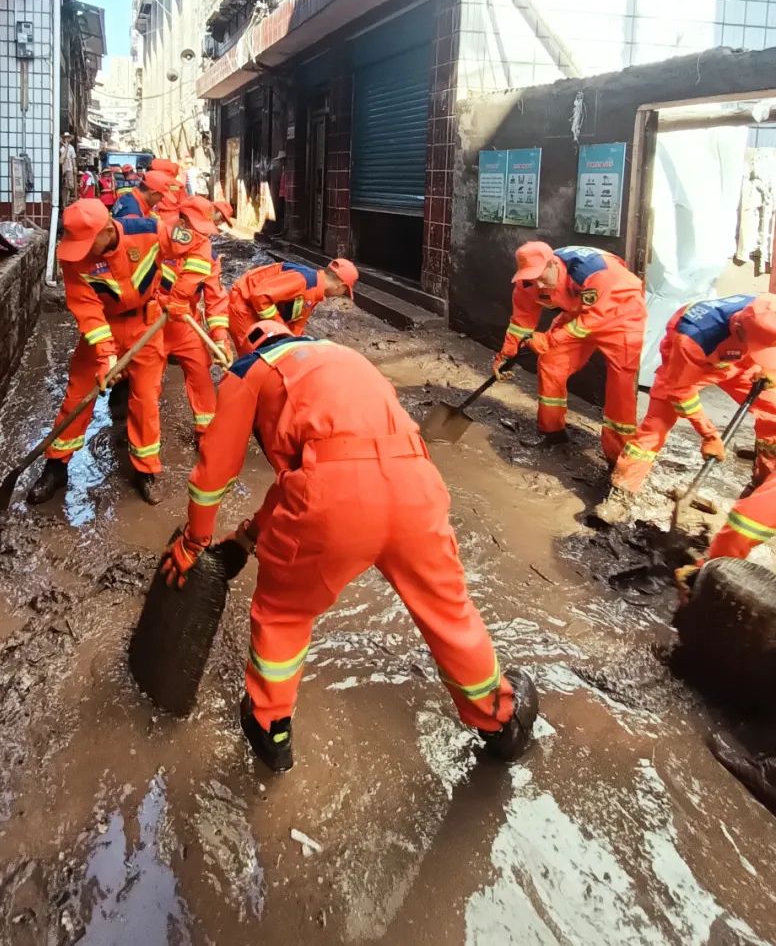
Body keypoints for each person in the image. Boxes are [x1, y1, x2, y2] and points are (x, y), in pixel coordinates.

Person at [159, 320, 539, 773]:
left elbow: (213, 476)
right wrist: (246, 538)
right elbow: (316, 465)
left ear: (251, 346)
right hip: (416, 484)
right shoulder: (342, 357)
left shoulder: (250, 370)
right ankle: (500, 723)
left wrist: (194, 541)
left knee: (284, 613)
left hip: (333, 501)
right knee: (449, 611)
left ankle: (270, 729)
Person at [35, 197, 214, 506]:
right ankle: (55, 466)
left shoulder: (150, 230)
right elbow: (87, 308)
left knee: (146, 401)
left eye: (88, 242)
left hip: (147, 326)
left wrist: (183, 294)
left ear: (107, 230)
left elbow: (199, 246)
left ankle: (146, 471)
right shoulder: (73, 257)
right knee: (78, 396)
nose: (83, 250)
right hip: (103, 329)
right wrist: (105, 356)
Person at [598, 293, 776, 524]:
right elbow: (682, 394)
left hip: (744, 363)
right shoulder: (695, 336)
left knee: (773, 414)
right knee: (655, 428)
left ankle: (761, 488)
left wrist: (769, 368)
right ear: (740, 329)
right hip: (687, 367)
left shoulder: (767, 310)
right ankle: (621, 495)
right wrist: (709, 435)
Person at [494, 242, 645, 462]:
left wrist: (550, 338)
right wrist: (505, 356)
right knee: (551, 361)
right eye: (531, 277)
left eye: (541, 275)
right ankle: (552, 433)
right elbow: (521, 323)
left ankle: (619, 458)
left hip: (622, 315)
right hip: (579, 313)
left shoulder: (597, 273)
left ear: (554, 263)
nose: (538, 283)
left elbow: (595, 319)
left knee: (620, 387)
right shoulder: (528, 284)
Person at [157, 194, 234, 436]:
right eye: (194, 227)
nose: (201, 235)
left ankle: (207, 434)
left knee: (201, 373)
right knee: (146, 385)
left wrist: (220, 338)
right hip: (152, 322)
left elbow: (215, 299)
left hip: (184, 322)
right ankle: (144, 449)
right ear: (180, 221)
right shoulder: (155, 239)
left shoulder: (208, 256)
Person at [228, 257, 359, 355]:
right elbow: (260, 296)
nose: (341, 294)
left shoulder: (315, 289)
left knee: (271, 352)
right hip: (243, 304)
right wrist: (280, 328)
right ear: (340, 286)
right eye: (344, 292)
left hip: (253, 304)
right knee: (253, 356)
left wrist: (297, 343)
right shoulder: (304, 280)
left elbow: (297, 324)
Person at [59, 132, 77, 208]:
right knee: (64, 186)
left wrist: (75, 167)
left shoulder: (71, 148)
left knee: (70, 185)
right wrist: (65, 147)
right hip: (63, 168)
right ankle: (64, 203)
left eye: (67, 137)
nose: (66, 139)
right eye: (65, 137)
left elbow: (73, 158)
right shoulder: (61, 147)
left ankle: (68, 200)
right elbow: (61, 159)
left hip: (69, 168)